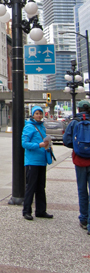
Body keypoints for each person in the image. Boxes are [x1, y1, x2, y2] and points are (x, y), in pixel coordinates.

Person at [63, 99, 90, 233]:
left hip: (79, 160)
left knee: (82, 190)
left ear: (78, 110)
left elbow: (67, 141)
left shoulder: (74, 122)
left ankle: (84, 218)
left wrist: (77, 147)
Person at [22, 105, 53, 220]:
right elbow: (24, 144)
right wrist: (39, 145)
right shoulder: (29, 127)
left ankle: (41, 210)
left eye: (40, 113)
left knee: (41, 187)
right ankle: (26, 211)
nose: (39, 115)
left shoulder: (42, 127)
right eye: (37, 113)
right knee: (31, 186)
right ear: (33, 115)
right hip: (32, 162)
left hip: (41, 161)